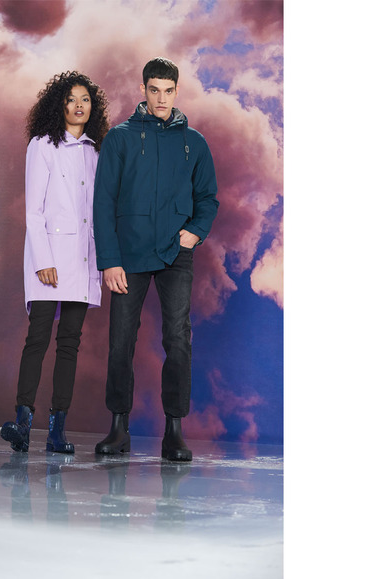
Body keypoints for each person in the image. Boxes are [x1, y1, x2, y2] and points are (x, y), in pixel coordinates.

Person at [92, 57, 219, 462]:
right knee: (120, 340)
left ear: (177, 91)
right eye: (154, 90)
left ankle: (174, 432)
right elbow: (103, 202)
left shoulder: (194, 142)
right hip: (128, 255)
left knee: (177, 339)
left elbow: (208, 198)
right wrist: (109, 260)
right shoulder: (119, 139)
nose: (161, 98)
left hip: (174, 254)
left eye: (168, 91)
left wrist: (195, 232)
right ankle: (118, 428)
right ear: (143, 90)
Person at [0, 71, 110, 454]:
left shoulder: (97, 151)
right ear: (59, 104)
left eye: (85, 99)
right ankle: (22, 423)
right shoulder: (43, 145)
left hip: (83, 260)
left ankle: (57, 431)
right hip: (49, 260)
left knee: (70, 344)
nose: (79, 106)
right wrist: (43, 259)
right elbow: (34, 211)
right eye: (71, 99)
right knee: (38, 338)